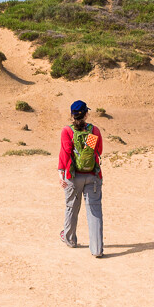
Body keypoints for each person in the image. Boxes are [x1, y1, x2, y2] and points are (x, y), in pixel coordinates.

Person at [58, 99, 104, 258]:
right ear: (86, 114)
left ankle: (70, 240)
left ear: (72, 115)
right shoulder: (94, 131)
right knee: (95, 211)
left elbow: (65, 153)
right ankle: (97, 249)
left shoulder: (67, 131)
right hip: (92, 175)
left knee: (72, 207)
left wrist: (60, 173)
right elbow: (98, 151)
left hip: (73, 176)